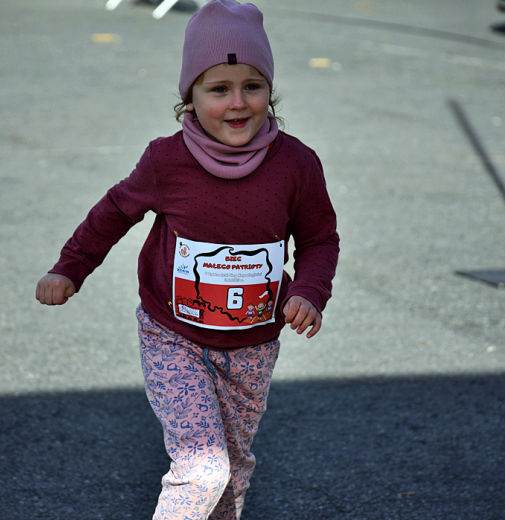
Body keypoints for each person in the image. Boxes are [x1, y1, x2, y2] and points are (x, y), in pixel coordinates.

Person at [36, 1, 339, 518]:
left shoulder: (296, 164)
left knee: (232, 467)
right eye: (218, 89)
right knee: (202, 467)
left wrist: (309, 291)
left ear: (271, 90)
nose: (238, 103)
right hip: (172, 335)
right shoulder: (165, 161)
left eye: (253, 86)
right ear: (190, 99)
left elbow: (319, 240)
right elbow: (114, 212)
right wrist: (70, 266)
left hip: (252, 344)